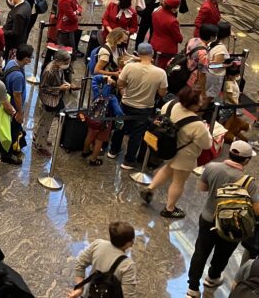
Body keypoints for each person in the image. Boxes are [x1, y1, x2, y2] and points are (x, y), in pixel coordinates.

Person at [185, 140, 259, 297]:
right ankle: (212, 278)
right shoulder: (249, 182)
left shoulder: (211, 167)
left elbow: (202, 188)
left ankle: (192, 288)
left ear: (230, 152)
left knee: (201, 251)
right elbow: (256, 209)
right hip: (232, 225)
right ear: (246, 160)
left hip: (207, 218)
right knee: (223, 253)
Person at [140, 86, 213, 218]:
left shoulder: (170, 104)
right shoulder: (197, 124)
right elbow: (207, 144)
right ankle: (169, 209)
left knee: (168, 168)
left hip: (167, 147)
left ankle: (150, 188)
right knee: (178, 182)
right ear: (194, 105)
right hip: (185, 155)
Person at [108, 43, 167, 170]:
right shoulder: (160, 72)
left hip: (126, 103)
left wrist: (125, 94)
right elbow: (162, 93)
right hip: (145, 108)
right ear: (152, 54)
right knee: (136, 134)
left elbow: (120, 84)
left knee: (120, 128)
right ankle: (128, 161)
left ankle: (113, 151)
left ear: (138, 54)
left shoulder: (129, 67)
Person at [70, 222, 137, 298]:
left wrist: (80, 287)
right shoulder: (128, 266)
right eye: (132, 239)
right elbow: (127, 296)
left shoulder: (98, 244)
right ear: (128, 243)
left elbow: (79, 263)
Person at [31, 50, 72, 155]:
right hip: (48, 100)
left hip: (55, 98)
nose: (67, 64)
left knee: (44, 121)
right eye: (66, 62)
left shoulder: (58, 67)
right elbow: (43, 88)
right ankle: (39, 144)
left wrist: (65, 84)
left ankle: (39, 136)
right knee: (45, 123)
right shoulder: (49, 71)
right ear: (58, 61)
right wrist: (60, 88)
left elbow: (61, 78)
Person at [149, 0, 184, 69]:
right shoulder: (173, 21)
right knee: (162, 68)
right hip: (166, 48)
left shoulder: (156, 11)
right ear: (173, 8)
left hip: (154, 42)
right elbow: (179, 38)